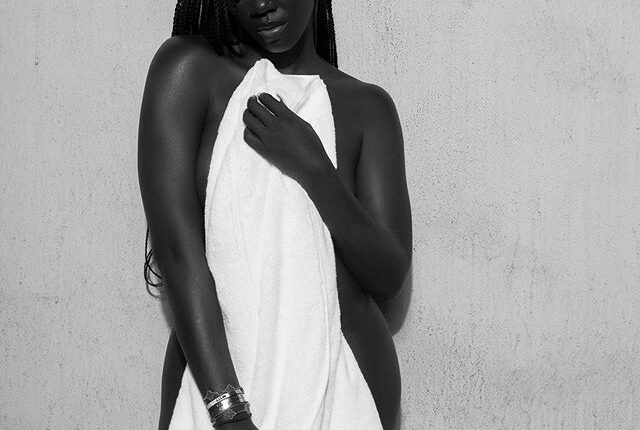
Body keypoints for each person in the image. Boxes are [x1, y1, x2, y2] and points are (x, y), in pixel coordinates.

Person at [137, 0, 412, 429]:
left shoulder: (366, 106)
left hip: (349, 391)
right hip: (215, 389)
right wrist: (228, 413)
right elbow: (176, 249)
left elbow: (388, 276)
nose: (261, 5)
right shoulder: (190, 69)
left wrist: (315, 168)